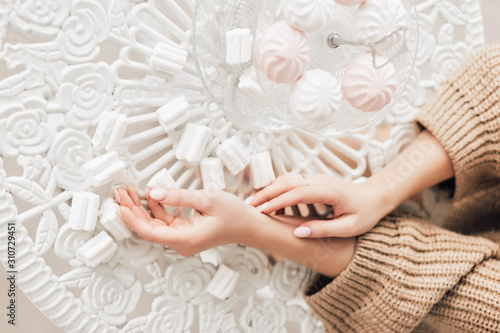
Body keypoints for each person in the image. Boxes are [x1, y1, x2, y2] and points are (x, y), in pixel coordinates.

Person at [117, 44, 500, 332]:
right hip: (440, 168)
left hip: (392, 270)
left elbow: (460, 295)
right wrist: (379, 192)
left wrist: (254, 230)